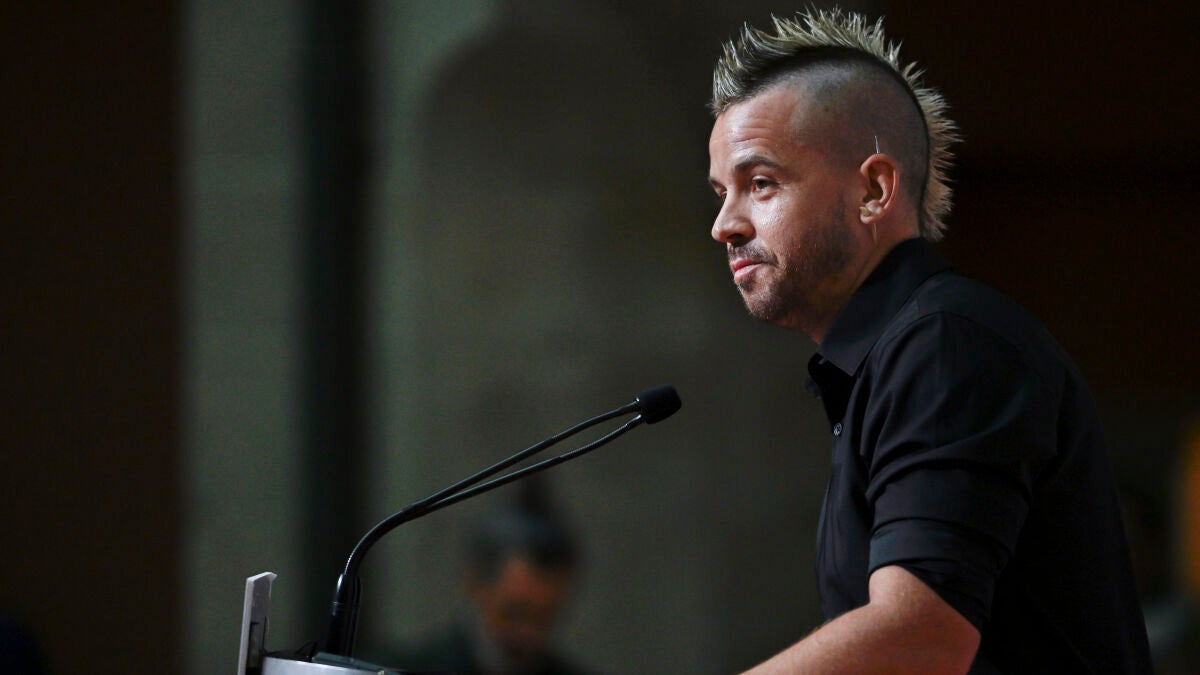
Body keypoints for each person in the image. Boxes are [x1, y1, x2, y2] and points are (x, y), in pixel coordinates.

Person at [705, 9, 1151, 674]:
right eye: (722, 193)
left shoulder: (946, 344)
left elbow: (921, 635)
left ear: (874, 190)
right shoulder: (897, 356)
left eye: (760, 183)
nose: (724, 225)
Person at [389, 481, 589, 675]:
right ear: (475, 583)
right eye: (514, 612)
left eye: (543, 618)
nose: (527, 634)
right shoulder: (403, 668)